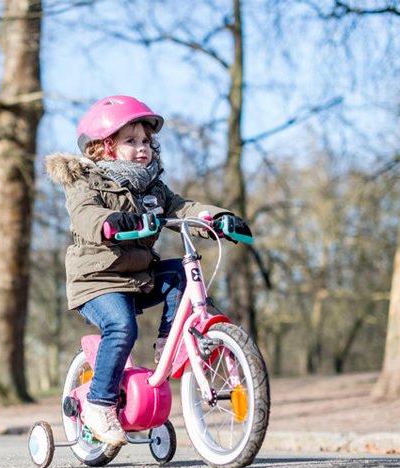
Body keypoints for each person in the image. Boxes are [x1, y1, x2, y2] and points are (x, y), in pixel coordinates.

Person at [45, 95, 252, 446]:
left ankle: (167, 343)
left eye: (146, 142)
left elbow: (183, 207)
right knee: (121, 326)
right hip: (97, 281)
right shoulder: (85, 183)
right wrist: (112, 221)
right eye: (131, 141)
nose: (142, 148)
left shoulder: (152, 188)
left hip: (139, 278)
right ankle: (98, 403)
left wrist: (215, 218)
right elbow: (85, 215)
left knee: (183, 274)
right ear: (104, 148)